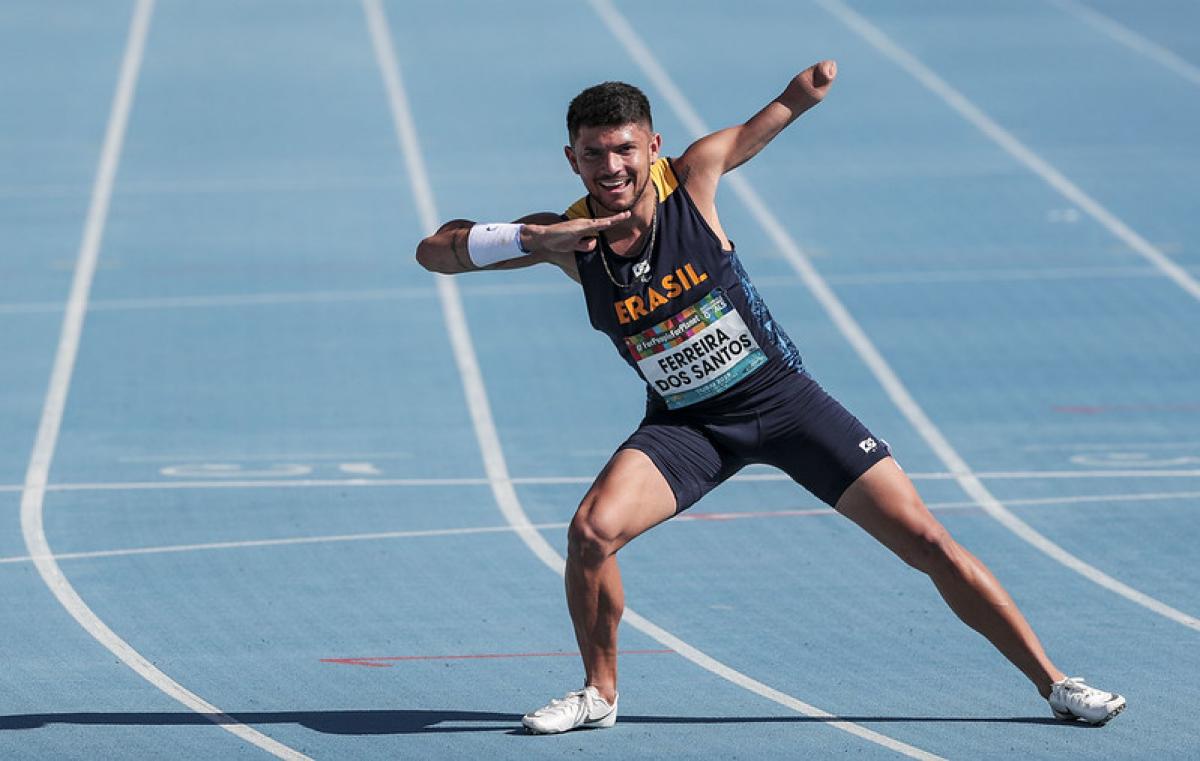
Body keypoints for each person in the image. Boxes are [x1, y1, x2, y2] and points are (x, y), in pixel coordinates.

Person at [415, 60, 1125, 735]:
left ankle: (1056, 683)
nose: (611, 169)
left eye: (625, 151)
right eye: (595, 155)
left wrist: (805, 92)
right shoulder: (569, 239)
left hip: (784, 402)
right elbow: (434, 250)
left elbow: (772, 117)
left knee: (927, 540)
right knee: (590, 533)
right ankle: (599, 693)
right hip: (688, 426)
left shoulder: (692, 177)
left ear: (651, 147)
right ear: (572, 159)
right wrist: (534, 236)